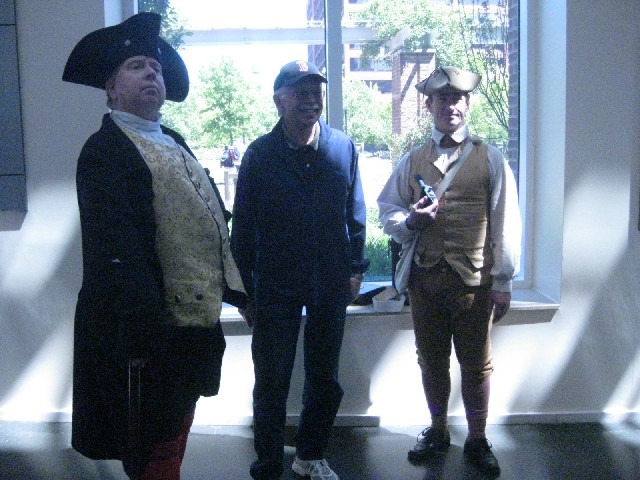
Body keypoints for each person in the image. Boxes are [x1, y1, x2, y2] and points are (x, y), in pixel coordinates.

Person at [62, 12, 246, 480]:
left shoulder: (175, 141)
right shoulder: (104, 150)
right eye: (136, 66)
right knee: (151, 444)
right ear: (111, 88)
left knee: (176, 433)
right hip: (147, 332)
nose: (151, 73)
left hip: (193, 324)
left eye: (156, 68)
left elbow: (208, 219)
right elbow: (115, 249)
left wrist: (239, 290)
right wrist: (145, 332)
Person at [377, 66, 521, 477]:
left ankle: (477, 438)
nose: (450, 105)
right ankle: (438, 430)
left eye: (457, 98)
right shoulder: (412, 159)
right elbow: (387, 211)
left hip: (474, 284)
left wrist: (503, 281)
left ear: (467, 104)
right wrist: (411, 221)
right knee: (431, 361)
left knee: (477, 365)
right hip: (425, 281)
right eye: (442, 98)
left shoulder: (490, 158)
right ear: (429, 105)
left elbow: (505, 222)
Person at [230, 60, 369, 480]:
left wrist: (356, 270)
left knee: (325, 378)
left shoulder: (342, 147)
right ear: (280, 101)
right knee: (271, 380)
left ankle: (309, 454)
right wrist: (243, 294)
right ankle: (269, 463)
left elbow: (355, 214)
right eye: (301, 93)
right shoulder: (259, 155)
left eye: (316, 93)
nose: (311, 101)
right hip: (275, 284)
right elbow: (243, 228)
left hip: (329, 281)